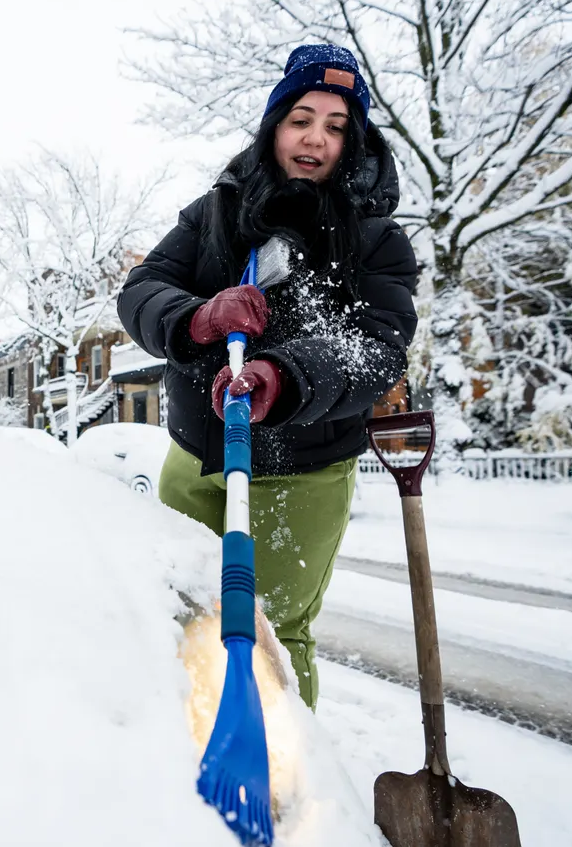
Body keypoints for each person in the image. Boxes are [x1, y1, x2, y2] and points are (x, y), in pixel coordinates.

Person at [117, 44, 418, 709]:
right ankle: (180, 763)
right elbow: (140, 292)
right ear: (275, 123)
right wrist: (197, 317)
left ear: (354, 139)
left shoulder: (375, 239)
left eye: (337, 125)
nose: (316, 137)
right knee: (176, 617)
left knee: (272, 632)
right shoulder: (216, 213)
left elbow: (376, 350)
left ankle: (284, 787)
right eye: (302, 117)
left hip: (302, 472)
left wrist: (284, 375)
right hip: (197, 460)